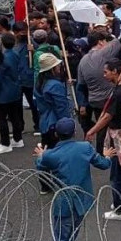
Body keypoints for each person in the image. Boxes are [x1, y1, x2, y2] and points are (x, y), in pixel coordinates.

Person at [35, 117, 115, 241]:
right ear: (74, 132)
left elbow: (40, 167)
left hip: (64, 206)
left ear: (56, 135)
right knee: (68, 239)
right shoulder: (85, 147)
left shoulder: (51, 155)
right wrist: (107, 157)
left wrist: (41, 155)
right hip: (82, 202)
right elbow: (103, 164)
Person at [85, 59, 121, 220]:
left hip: (119, 136)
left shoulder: (120, 92)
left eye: (106, 71)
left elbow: (108, 116)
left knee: (117, 173)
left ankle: (119, 209)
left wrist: (92, 130)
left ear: (115, 71)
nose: (104, 74)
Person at [77, 31, 121, 154]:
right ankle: (108, 150)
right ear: (101, 42)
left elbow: (81, 83)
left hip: (94, 99)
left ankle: (101, 150)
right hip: (108, 97)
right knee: (111, 125)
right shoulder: (103, 53)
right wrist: (109, 32)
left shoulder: (83, 60)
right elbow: (117, 42)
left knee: (100, 125)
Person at [35, 53, 73, 193]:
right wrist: (67, 124)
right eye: (57, 66)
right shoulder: (54, 85)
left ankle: (45, 184)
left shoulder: (39, 82)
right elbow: (61, 108)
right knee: (60, 154)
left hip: (45, 121)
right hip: (55, 123)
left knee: (45, 153)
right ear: (52, 69)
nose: (60, 67)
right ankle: (62, 182)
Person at [0, 32, 24, 155]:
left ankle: (5, 143)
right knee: (15, 116)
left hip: (3, 92)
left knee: (1, 118)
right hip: (15, 89)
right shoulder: (15, 53)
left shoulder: (2, 59)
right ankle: (17, 138)